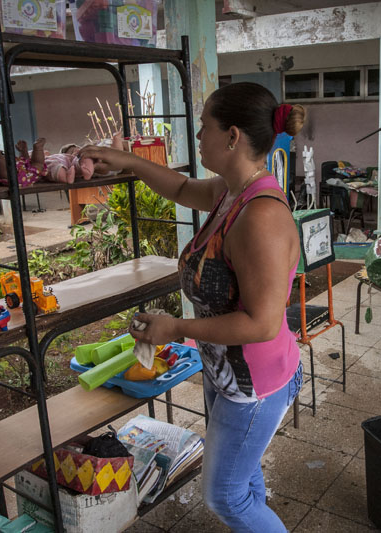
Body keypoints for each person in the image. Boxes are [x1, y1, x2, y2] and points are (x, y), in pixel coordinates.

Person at [79, 82, 306, 532]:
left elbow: (261, 324)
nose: (198, 137)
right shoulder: (230, 191)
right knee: (244, 481)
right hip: (226, 372)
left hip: (254, 385)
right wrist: (127, 161)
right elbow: (182, 187)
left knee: (225, 495)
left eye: (204, 127)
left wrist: (176, 327)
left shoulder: (260, 215)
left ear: (233, 136)